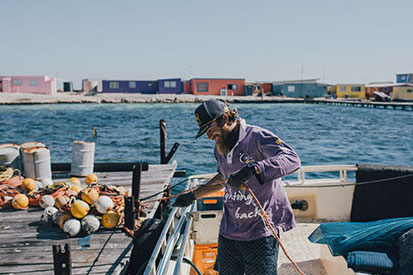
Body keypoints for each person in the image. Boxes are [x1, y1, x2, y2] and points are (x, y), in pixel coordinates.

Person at [173, 99, 301, 275]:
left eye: (210, 130)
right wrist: (194, 195)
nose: (209, 137)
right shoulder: (220, 147)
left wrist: (254, 169)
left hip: (260, 233)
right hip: (229, 232)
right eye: (205, 133)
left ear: (225, 118)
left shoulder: (256, 137)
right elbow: (223, 177)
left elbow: (292, 159)